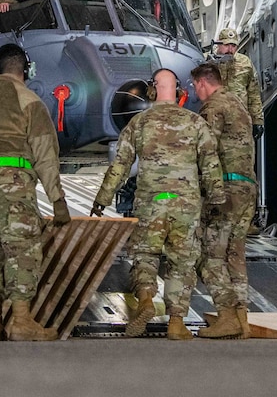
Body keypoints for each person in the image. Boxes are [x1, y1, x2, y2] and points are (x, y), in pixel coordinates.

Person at [92, 68, 224, 340]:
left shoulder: (139, 122)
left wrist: (102, 199)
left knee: (145, 256)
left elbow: (120, 166)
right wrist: (216, 199)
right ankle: (176, 323)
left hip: (151, 203)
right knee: (182, 263)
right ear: (178, 91)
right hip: (185, 205)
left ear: (152, 90)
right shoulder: (196, 122)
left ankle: (145, 300)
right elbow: (211, 164)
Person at [0, 43, 69, 342]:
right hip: (12, 179)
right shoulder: (29, 99)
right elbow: (45, 153)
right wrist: (57, 200)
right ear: (28, 69)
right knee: (21, 248)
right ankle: (21, 321)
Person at [191, 63, 255, 339]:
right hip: (247, 187)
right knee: (235, 254)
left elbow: (206, 151)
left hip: (224, 190)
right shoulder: (239, 104)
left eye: (195, 86)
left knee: (210, 255)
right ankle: (242, 320)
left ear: (203, 83)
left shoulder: (213, 107)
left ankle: (227, 316)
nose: (196, 92)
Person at [210, 28, 264, 139]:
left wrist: (257, 120)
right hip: (213, 122)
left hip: (239, 121)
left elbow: (254, 94)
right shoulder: (207, 61)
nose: (230, 49)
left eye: (233, 46)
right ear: (218, 44)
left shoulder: (245, 63)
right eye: (226, 45)